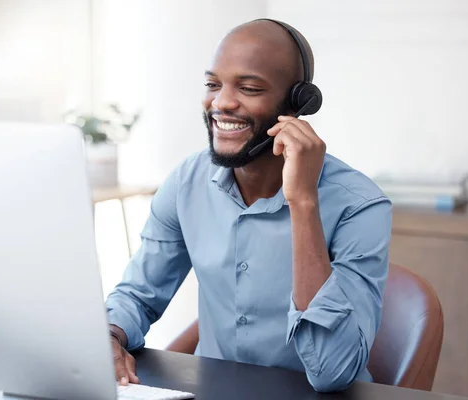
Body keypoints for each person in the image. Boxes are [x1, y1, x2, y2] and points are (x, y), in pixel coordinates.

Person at [105, 18, 392, 393]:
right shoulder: (186, 183)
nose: (222, 102)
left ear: (298, 102)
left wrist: (303, 202)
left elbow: (332, 372)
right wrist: (109, 335)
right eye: (213, 84)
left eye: (250, 87)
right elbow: (137, 295)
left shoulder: (360, 206)